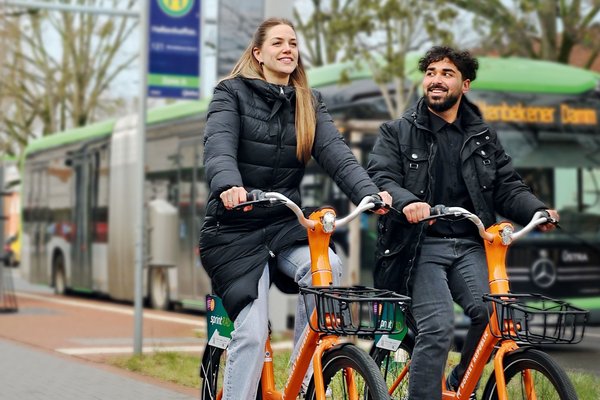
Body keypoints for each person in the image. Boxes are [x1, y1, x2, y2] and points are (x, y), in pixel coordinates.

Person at [199, 17, 391, 400]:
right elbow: (218, 145)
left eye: (293, 43)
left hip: (285, 228)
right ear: (258, 53)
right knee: (252, 335)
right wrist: (229, 186)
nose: (288, 49)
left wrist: (370, 193)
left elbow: (339, 157)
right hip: (234, 231)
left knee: (328, 267)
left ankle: (301, 382)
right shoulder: (230, 94)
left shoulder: (308, 102)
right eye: (278, 43)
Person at [367, 46, 559, 400]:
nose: (436, 80)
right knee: (437, 328)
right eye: (431, 73)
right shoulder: (397, 132)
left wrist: (537, 210)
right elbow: (382, 176)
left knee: (495, 316)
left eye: (447, 73)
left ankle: (460, 383)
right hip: (418, 246)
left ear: (465, 85)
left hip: (470, 243)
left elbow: (506, 186)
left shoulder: (483, 137)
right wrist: (409, 202)